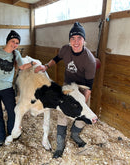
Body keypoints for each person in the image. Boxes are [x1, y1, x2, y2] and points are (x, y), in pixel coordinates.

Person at [35, 22, 96, 158]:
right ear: (69, 40)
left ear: (84, 40)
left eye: (79, 38)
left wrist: (82, 104)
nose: (75, 42)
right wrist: (46, 66)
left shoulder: (89, 60)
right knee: (63, 113)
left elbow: (89, 87)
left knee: (83, 115)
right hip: (68, 88)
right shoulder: (65, 49)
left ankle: (75, 134)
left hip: (82, 89)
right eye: (72, 38)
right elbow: (57, 58)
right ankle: (60, 144)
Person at [0, 30, 35, 149]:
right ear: (7, 41)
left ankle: (12, 133)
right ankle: (1, 138)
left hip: (7, 88)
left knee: (12, 112)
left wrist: (33, 63)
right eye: (13, 41)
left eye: (17, 42)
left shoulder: (16, 54)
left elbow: (22, 66)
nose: (15, 44)